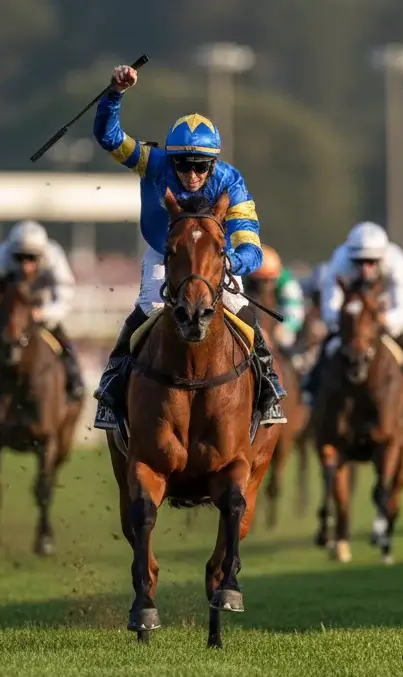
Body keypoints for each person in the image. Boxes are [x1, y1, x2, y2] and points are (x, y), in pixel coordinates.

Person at [89, 62, 285, 430]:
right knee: (147, 310)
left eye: (200, 166)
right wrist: (114, 94)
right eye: (183, 164)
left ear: (214, 164)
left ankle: (268, 384)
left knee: (239, 308)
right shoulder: (152, 161)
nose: (191, 174)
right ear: (170, 157)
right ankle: (112, 387)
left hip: (214, 261)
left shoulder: (231, 182)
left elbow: (251, 246)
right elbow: (109, 137)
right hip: (166, 255)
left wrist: (231, 262)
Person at [301, 221, 403, 415]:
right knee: (328, 346)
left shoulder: (395, 262)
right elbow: (331, 303)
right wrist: (343, 322)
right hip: (353, 315)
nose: (365, 268)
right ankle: (312, 387)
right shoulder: (340, 261)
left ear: (381, 258)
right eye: (360, 262)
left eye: (371, 262)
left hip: (383, 312)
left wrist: (384, 321)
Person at [0, 220, 84, 402]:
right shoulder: (0, 258)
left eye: (31, 258)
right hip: (13, 312)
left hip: (41, 309)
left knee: (64, 342)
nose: (25, 266)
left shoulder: (55, 258)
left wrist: (42, 313)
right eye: (19, 258)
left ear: (41, 256)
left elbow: (65, 296)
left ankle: (75, 380)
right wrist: (1, 314)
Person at [246, 244, 305, 355]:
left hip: (279, 330)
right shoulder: (245, 282)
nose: (265, 286)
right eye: (259, 282)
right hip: (255, 329)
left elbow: (295, 314)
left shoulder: (288, 284)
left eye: (268, 280)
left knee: (285, 338)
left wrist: (284, 327)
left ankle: (293, 365)